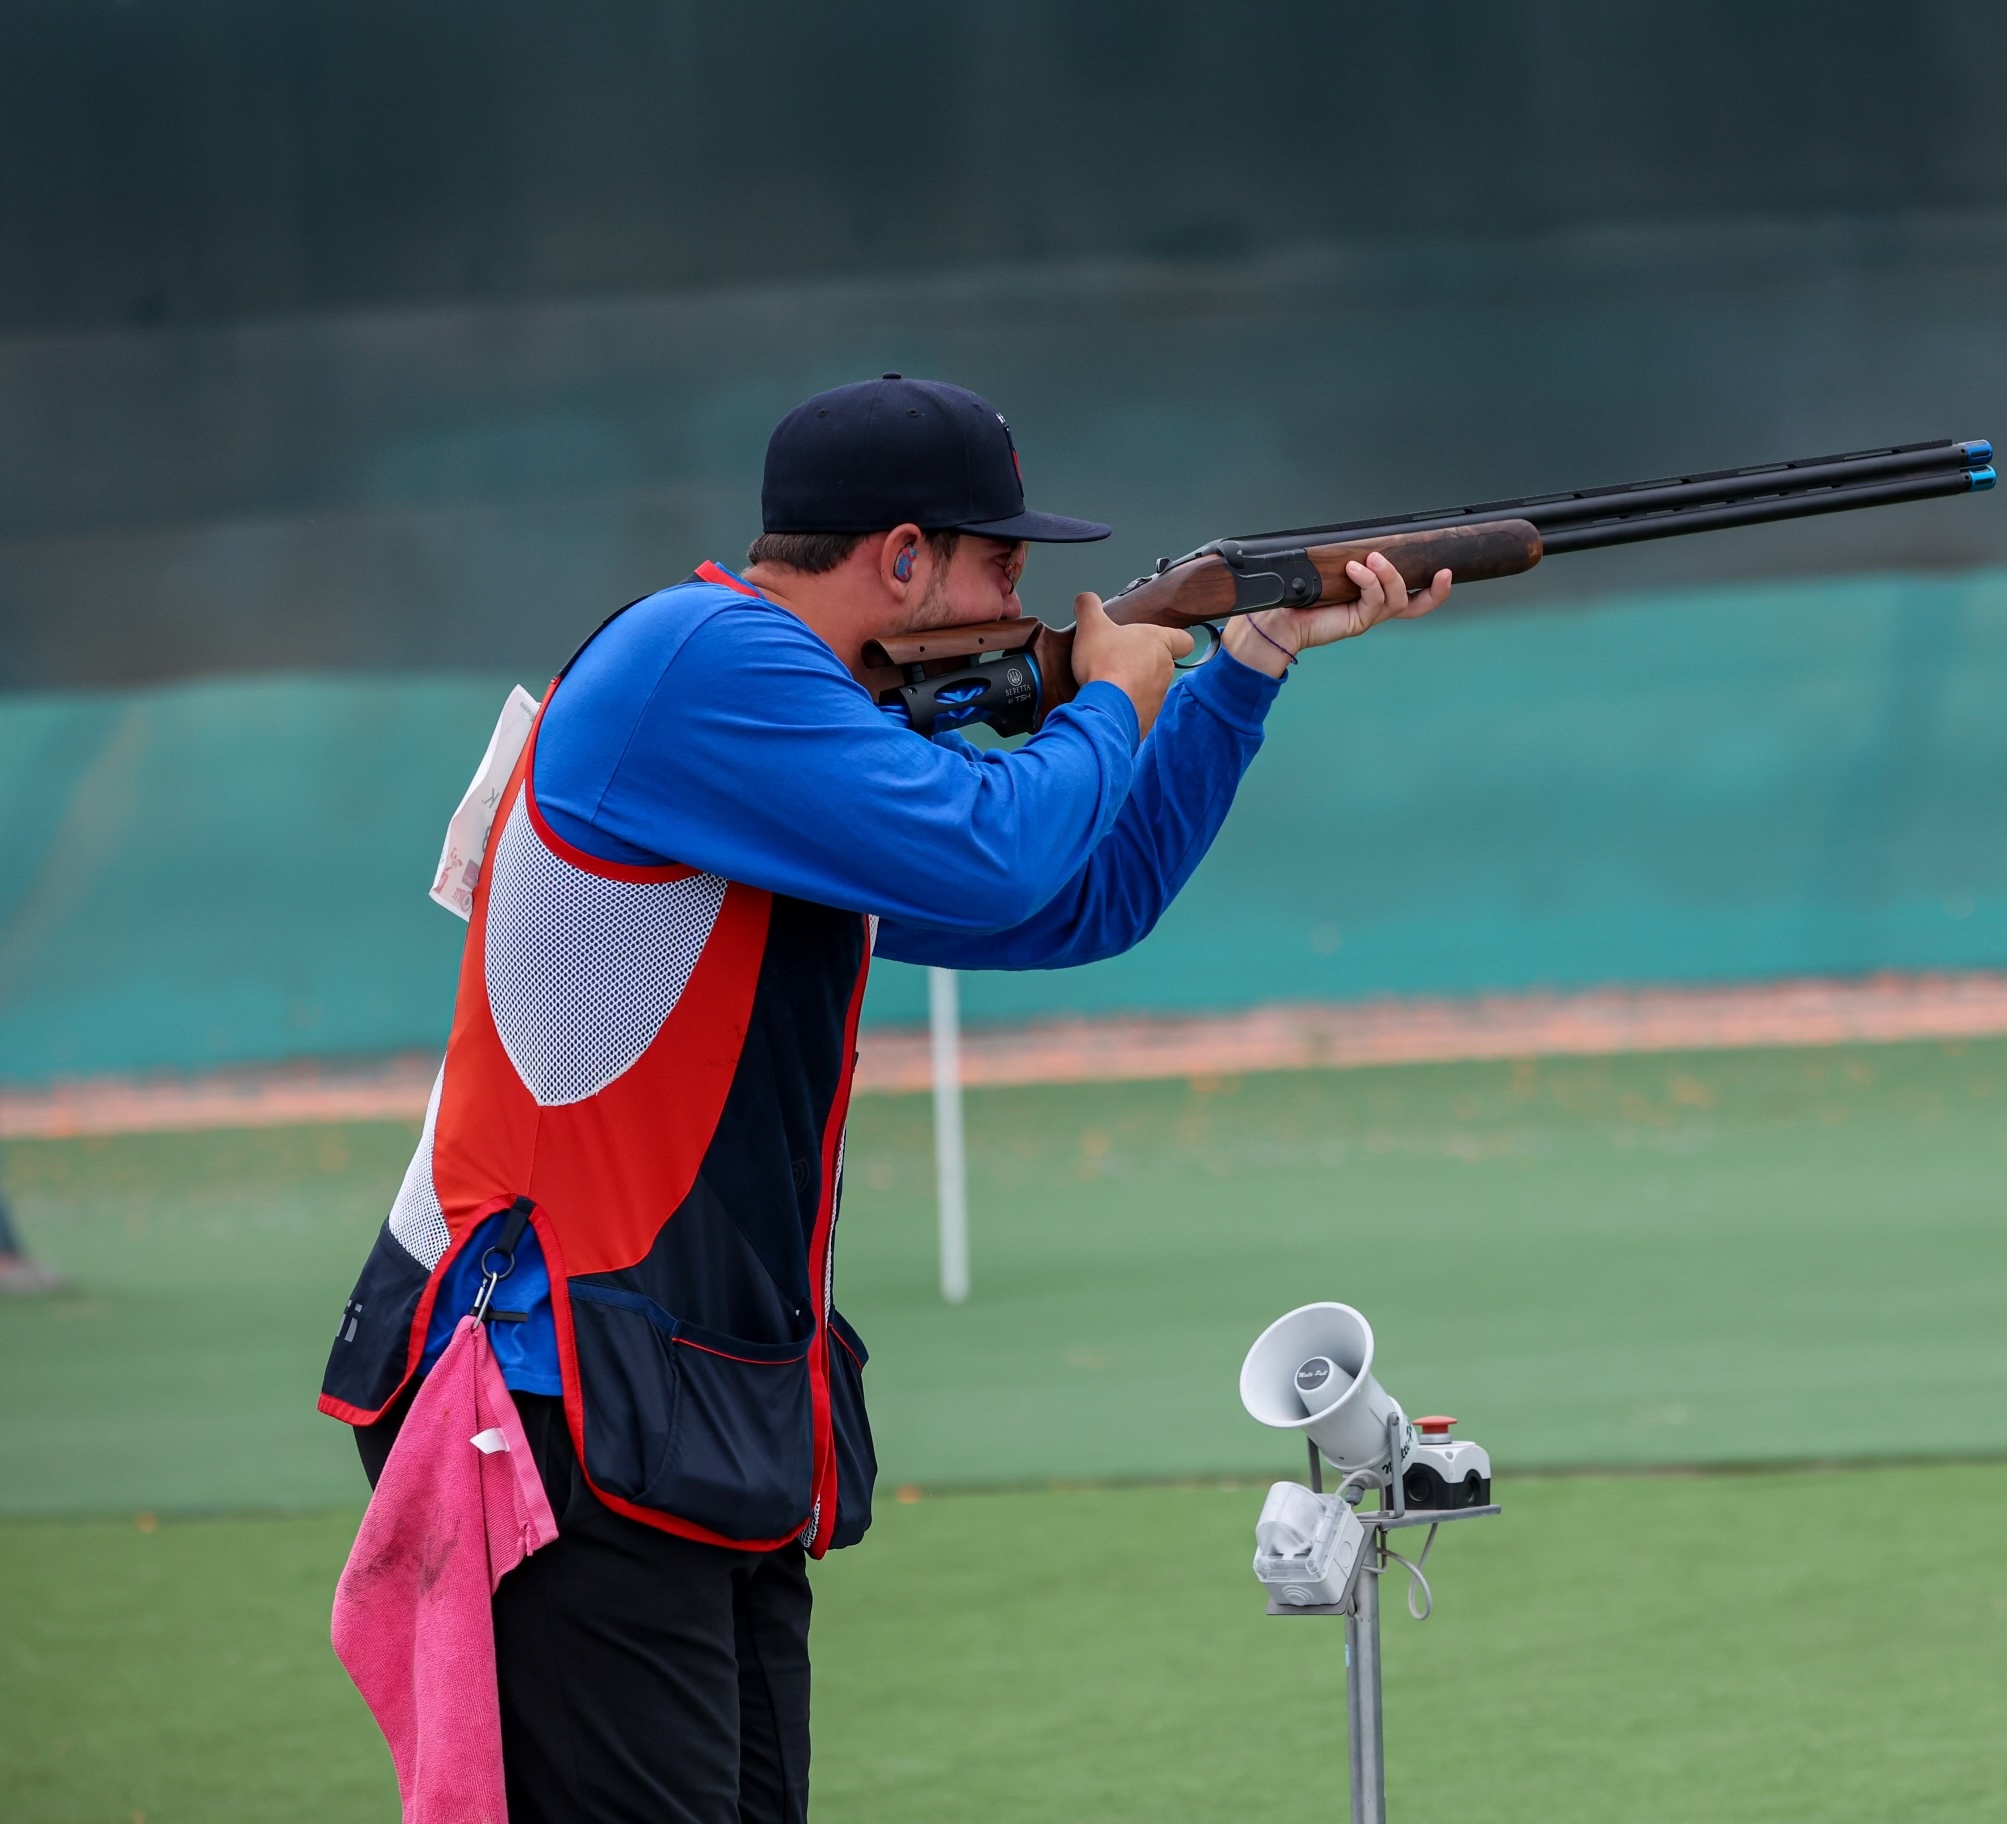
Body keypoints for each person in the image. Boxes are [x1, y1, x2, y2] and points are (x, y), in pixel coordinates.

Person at [316, 375, 1449, 1822]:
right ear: (900, 560)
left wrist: (1250, 666)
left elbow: (1083, 901)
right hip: (557, 1398)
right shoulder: (703, 660)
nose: (1021, 600)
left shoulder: (797, 724)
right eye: (1004, 567)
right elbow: (998, 857)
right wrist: (1110, 698)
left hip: (680, 1402)